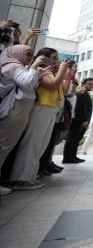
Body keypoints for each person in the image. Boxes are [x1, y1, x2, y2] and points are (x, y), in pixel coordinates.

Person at [9, 48, 69, 189]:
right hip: (40, 108)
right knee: (32, 143)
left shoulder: (52, 72)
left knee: (41, 145)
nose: (56, 61)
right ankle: (21, 178)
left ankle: (29, 176)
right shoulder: (39, 69)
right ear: (44, 58)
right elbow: (53, 86)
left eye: (57, 58)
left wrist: (66, 74)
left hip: (51, 109)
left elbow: (63, 91)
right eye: (53, 58)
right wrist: (61, 70)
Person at [0, 46, 50, 195]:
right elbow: (27, 83)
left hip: (20, 110)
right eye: (28, 54)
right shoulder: (13, 66)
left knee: (6, 146)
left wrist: (38, 74)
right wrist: (34, 67)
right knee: (3, 145)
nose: (31, 57)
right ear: (16, 54)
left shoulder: (20, 67)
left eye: (32, 54)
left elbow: (31, 85)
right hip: (14, 110)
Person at [63, 78, 93, 163]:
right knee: (72, 139)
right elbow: (79, 108)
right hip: (78, 121)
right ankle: (67, 158)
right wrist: (84, 120)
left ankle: (73, 156)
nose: (91, 86)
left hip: (83, 121)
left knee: (76, 139)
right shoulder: (81, 94)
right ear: (83, 84)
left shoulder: (85, 94)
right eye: (89, 84)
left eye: (92, 84)